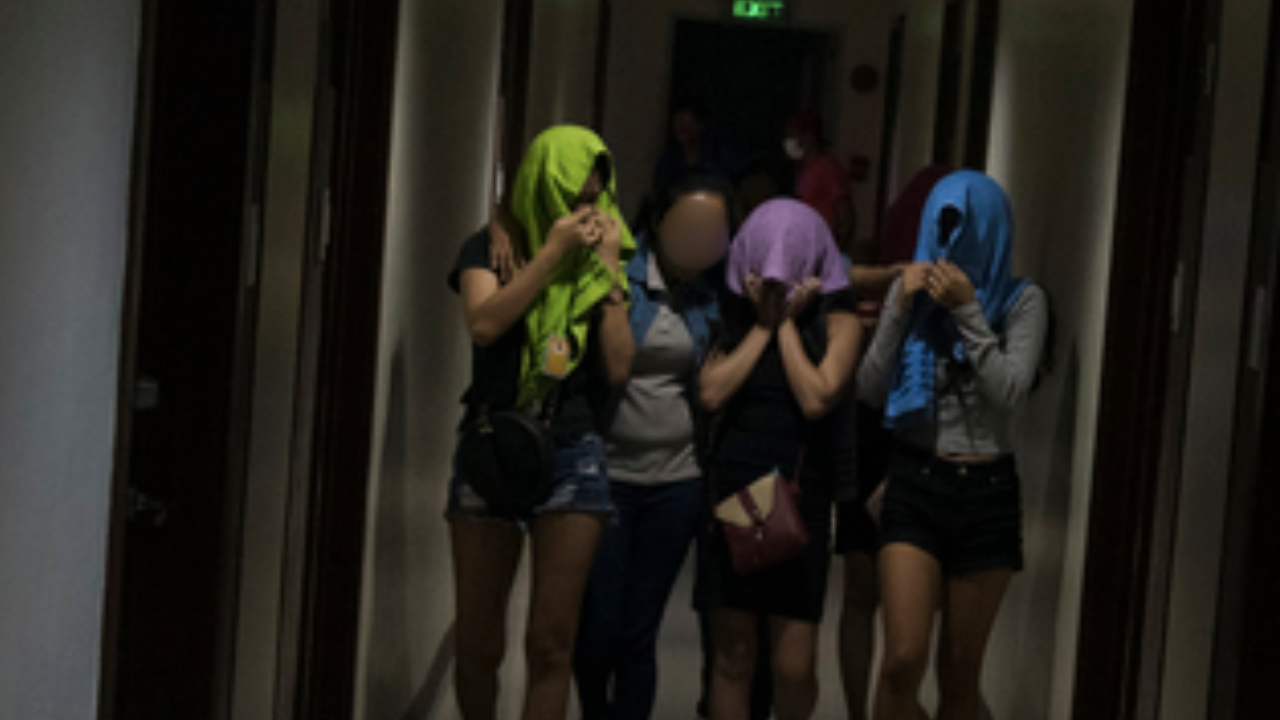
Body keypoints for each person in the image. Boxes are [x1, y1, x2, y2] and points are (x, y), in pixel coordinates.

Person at [446, 125, 636, 720]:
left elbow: (620, 363)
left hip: (572, 449)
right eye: (574, 198)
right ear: (543, 186)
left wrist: (605, 275)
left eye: (595, 199)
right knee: (479, 644)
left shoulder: (604, 258)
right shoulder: (490, 248)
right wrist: (550, 255)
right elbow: (484, 324)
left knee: (552, 643)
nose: (587, 213)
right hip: (492, 442)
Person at [858, 170, 1049, 720]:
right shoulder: (910, 293)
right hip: (916, 481)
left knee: (961, 669)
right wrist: (898, 309)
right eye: (940, 229)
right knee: (900, 659)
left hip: (985, 492)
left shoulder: (1022, 300)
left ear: (988, 231)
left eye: (961, 230)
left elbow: (1009, 391)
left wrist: (968, 311)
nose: (949, 245)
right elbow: (870, 390)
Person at [573, 173, 738, 720]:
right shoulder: (617, 271)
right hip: (606, 477)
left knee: (640, 634)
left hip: (677, 484)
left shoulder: (713, 296)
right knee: (599, 630)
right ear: (659, 220)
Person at [699, 199, 863, 720]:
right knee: (733, 653)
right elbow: (711, 392)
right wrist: (763, 326)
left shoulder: (839, 324)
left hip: (800, 491)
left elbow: (817, 396)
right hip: (734, 487)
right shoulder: (730, 319)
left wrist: (788, 325)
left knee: (794, 665)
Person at [834, 164, 953, 720]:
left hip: (910, 444)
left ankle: (878, 706)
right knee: (869, 591)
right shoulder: (903, 285)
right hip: (885, 430)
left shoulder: (976, 290)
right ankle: (874, 708)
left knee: (876, 598)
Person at [784, 110, 855, 254]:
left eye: (793, 135)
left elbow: (845, 213)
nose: (788, 142)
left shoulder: (827, 167)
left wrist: (837, 252)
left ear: (808, 138)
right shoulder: (805, 171)